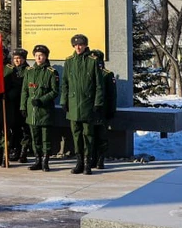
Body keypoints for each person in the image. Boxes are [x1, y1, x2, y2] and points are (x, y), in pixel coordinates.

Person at [60, 34, 104, 175]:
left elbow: (99, 84)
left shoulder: (92, 61)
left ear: (85, 45)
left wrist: (98, 102)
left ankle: (87, 163)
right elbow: (65, 83)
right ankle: (79, 162)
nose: (78, 47)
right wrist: (64, 101)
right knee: (76, 135)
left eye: (81, 45)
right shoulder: (69, 61)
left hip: (87, 104)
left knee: (88, 135)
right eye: (76, 45)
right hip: (73, 105)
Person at [21, 44, 59, 172]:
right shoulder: (29, 71)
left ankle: (45, 161)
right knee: (35, 137)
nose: (38, 58)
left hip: (44, 111)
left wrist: (41, 100)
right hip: (31, 111)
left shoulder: (51, 72)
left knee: (45, 138)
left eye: (41, 56)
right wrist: (23, 107)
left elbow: (54, 91)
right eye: (36, 56)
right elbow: (24, 91)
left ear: (46, 57)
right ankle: (37, 160)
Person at [89, 49, 117, 170]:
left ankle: (100, 159)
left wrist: (111, 110)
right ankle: (92, 159)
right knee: (91, 136)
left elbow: (112, 95)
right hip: (90, 111)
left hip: (102, 111)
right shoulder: (89, 73)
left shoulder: (107, 74)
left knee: (101, 137)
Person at [4, 48, 31, 164]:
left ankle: (24, 152)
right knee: (14, 129)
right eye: (15, 58)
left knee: (25, 129)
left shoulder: (29, 71)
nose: (17, 61)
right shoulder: (10, 70)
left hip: (24, 103)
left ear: (24, 59)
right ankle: (16, 150)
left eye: (19, 58)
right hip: (13, 104)